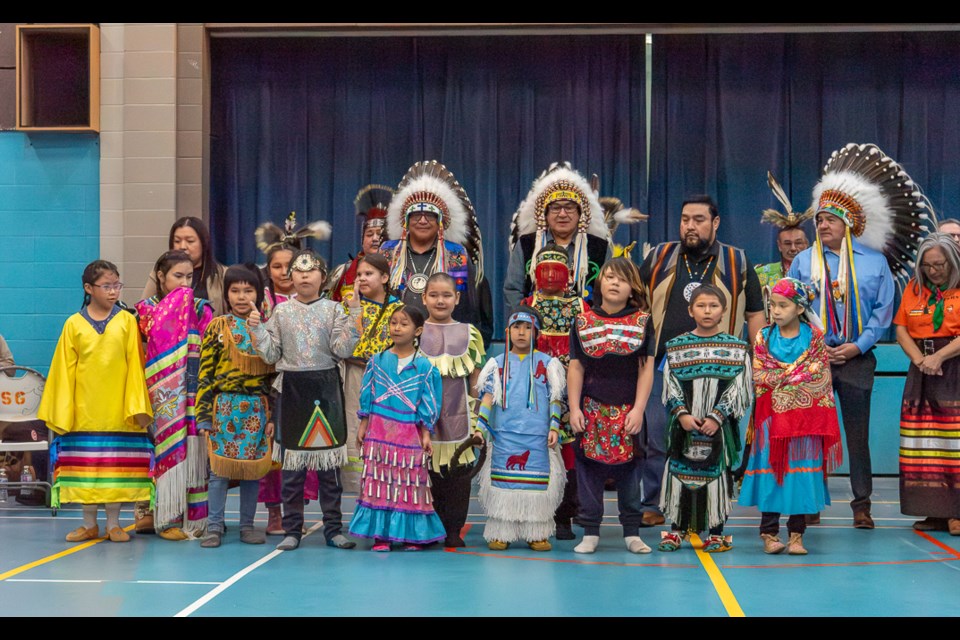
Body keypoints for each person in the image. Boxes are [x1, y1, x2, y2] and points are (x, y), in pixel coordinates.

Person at [787, 143, 933, 529]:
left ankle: (861, 504)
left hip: (857, 359)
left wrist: (858, 345)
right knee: (812, 433)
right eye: (819, 220)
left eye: (830, 220)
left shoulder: (874, 263)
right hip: (812, 359)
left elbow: (884, 311)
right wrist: (815, 344)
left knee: (857, 434)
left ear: (848, 223)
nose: (822, 226)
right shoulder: (804, 261)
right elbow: (793, 307)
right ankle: (809, 503)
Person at [637, 194, 765, 526]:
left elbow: (754, 315)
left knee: (711, 435)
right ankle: (653, 502)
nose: (690, 226)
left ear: (715, 222)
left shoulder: (738, 261)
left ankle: (709, 506)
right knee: (657, 437)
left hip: (721, 369)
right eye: (685, 219)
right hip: (663, 366)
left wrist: (760, 361)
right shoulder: (659, 257)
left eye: (698, 219)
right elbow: (636, 305)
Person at [249, 248, 361, 551]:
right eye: (298, 271)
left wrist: (354, 317)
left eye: (310, 270)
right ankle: (292, 530)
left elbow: (344, 350)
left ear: (322, 277)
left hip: (325, 390)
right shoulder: (281, 312)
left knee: (329, 471)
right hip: (293, 392)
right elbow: (271, 354)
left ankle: (334, 529)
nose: (304, 275)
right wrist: (257, 329)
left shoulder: (335, 309)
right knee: (292, 471)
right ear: (291, 277)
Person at [38, 260, 154, 542]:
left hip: (118, 410)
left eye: (117, 285)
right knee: (86, 468)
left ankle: (114, 523)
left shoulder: (126, 320)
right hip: (83, 410)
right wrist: (63, 410)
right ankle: (88, 523)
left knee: (113, 468)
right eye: (106, 286)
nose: (113, 291)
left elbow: (134, 365)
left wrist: (135, 405)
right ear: (89, 288)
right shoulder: (74, 324)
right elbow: (63, 370)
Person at [739, 278, 843, 554]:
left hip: (805, 423)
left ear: (799, 308)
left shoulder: (815, 338)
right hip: (771, 422)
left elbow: (819, 376)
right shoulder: (763, 336)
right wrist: (795, 377)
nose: (775, 311)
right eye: (772, 305)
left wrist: (783, 379)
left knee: (799, 479)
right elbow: (761, 375)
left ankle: (797, 534)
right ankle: (769, 533)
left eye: (782, 305)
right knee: (774, 474)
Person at [568, 258, 655, 554]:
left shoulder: (643, 321)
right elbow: (576, 367)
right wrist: (575, 408)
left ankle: (632, 532)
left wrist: (639, 409)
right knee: (588, 470)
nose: (615, 282)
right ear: (599, 283)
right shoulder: (582, 321)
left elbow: (646, 367)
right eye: (609, 277)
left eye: (622, 278)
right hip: (591, 407)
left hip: (629, 408)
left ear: (632, 287)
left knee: (631, 472)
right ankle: (590, 531)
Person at [656, 285, 752, 554]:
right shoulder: (676, 347)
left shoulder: (736, 348)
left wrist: (717, 416)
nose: (707, 310)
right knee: (677, 472)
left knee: (718, 475)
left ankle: (717, 532)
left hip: (717, 428)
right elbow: (670, 383)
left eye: (713, 306)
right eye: (701, 305)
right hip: (684, 425)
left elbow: (740, 387)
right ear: (690, 310)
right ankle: (676, 529)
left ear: (723, 312)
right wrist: (682, 414)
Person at [253, 213, 331, 533]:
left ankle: (296, 509)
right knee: (274, 452)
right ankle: (274, 512)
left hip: (305, 387)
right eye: (276, 266)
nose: (284, 272)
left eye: (291, 266)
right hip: (267, 384)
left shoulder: (318, 302)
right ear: (267, 270)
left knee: (302, 449)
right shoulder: (260, 303)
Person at [348, 305, 446, 550]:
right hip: (379, 433)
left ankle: (411, 534)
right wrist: (363, 424)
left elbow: (429, 400)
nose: (397, 328)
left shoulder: (424, 368)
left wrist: (426, 433)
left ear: (418, 330)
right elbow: (367, 394)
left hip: (408, 435)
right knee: (380, 482)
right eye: (393, 323)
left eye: (403, 323)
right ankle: (382, 535)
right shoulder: (378, 361)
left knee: (410, 483)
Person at [135, 250, 214, 540]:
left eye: (189, 277)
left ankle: (197, 521)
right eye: (177, 276)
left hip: (193, 392)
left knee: (194, 456)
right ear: (160, 276)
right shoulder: (144, 311)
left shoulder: (202, 309)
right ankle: (165, 518)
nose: (184, 283)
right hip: (159, 397)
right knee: (162, 454)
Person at [196, 264, 277, 548]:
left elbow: (274, 377)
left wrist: (273, 417)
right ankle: (215, 525)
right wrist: (204, 416)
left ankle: (247, 525)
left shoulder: (267, 329)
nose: (242, 297)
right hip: (224, 409)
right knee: (218, 473)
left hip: (256, 410)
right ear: (226, 294)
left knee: (251, 472)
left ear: (259, 293)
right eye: (235, 290)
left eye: (248, 290)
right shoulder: (216, 328)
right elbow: (205, 375)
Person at [474, 307, 567, 551]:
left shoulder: (548, 364)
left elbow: (555, 398)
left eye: (528, 328)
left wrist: (554, 427)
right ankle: (501, 531)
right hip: (505, 435)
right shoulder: (497, 364)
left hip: (537, 436)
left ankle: (536, 532)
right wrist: (479, 429)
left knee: (536, 486)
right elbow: (486, 398)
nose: (522, 332)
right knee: (503, 485)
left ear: (535, 332)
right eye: (516, 327)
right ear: (507, 331)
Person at [379, 160, 493, 347]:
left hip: (443, 346)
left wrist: (462, 346)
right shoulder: (389, 251)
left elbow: (466, 308)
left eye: (430, 215)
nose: (422, 220)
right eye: (416, 215)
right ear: (406, 221)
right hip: (394, 345)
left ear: (440, 221)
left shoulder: (455, 254)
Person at [893, 233, 960, 536]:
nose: (934, 271)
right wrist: (921, 359)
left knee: (954, 442)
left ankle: (956, 512)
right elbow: (901, 329)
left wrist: (939, 358)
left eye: (940, 265)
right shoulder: (914, 289)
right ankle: (934, 511)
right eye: (927, 266)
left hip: (954, 366)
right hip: (921, 368)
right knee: (923, 442)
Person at [521, 243, 586, 540]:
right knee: (537, 453)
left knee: (569, 454)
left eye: (555, 270)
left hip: (572, 390)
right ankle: (534, 515)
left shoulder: (581, 307)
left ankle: (565, 516)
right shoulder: (526, 303)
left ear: (569, 274)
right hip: (535, 390)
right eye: (543, 270)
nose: (548, 276)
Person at [419, 272, 486, 547]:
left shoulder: (470, 334)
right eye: (433, 295)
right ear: (424, 298)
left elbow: (476, 379)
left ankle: (454, 529)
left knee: (458, 477)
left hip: (461, 417)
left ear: (457, 298)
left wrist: (479, 419)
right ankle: (428, 527)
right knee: (428, 475)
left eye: (447, 295)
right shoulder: (416, 331)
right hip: (424, 421)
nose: (440, 300)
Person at [504, 161, 613, 313]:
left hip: (586, 330)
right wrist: (526, 322)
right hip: (536, 329)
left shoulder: (599, 249)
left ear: (580, 213)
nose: (562, 214)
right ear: (545, 214)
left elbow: (608, 294)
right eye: (555, 208)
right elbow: (513, 290)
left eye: (569, 207)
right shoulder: (526, 245)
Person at [755, 172, 813, 321]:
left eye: (798, 243)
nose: (793, 248)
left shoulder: (820, 274)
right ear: (779, 246)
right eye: (787, 243)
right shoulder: (762, 274)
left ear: (807, 244)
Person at [142, 217, 227, 316]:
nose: (182, 246)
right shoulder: (161, 270)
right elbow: (144, 310)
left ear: (204, 244)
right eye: (177, 241)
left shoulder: (222, 274)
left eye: (190, 241)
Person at [326, 184, 393, 302]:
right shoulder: (343, 271)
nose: (375, 239)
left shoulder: (399, 269)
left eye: (380, 234)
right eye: (369, 234)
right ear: (362, 240)